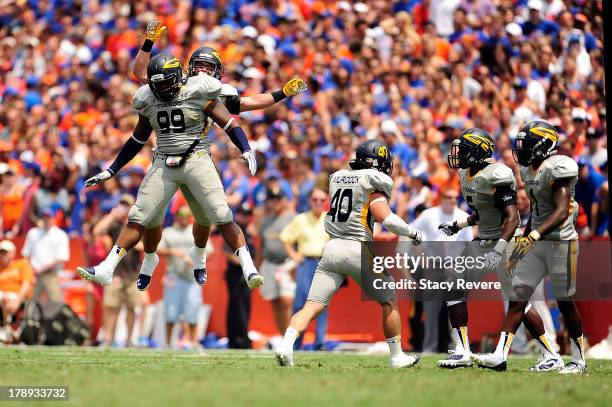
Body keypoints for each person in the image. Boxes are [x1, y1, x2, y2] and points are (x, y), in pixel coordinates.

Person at [131, 21, 307, 286]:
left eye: (208, 67)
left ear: (217, 72)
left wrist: (281, 93)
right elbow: (141, 75)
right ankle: (149, 262)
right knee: (151, 216)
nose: (202, 70)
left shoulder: (214, 92)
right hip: (165, 157)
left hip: (195, 159)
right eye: (199, 65)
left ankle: (199, 258)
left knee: (205, 215)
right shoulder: (177, 83)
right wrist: (148, 44)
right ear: (189, 69)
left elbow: (247, 103)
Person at [77, 53, 264, 293]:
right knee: (139, 214)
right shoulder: (148, 97)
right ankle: (106, 268)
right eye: (156, 85)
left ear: (177, 78)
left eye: (165, 83)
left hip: (196, 158)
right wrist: (111, 170)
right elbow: (137, 139)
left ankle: (248, 267)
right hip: (164, 160)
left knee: (219, 213)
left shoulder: (198, 89)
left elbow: (229, 123)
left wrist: (246, 148)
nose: (161, 89)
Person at [275, 140, 423, 368]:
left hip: (331, 249)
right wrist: (413, 232)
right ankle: (397, 357)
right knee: (389, 300)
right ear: (376, 162)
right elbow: (386, 217)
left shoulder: (338, 177)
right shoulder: (374, 181)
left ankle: (286, 344)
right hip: (357, 248)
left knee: (311, 305)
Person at [438, 128, 561, 371]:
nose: (458, 154)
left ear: (476, 151)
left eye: (463, 149)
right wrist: (458, 224)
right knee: (453, 282)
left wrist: (498, 250)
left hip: (507, 242)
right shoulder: (465, 174)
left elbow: (512, 218)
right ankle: (462, 350)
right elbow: (483, 213)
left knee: (518, 302)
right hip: (483, 240)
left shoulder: (497, 174)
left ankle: (551, 353)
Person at [473, 120, 585, 374]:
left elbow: (561, 211)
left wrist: (532, 234)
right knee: (517, 296)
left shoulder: (559, 166)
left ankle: (578, 360)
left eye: (527, 144)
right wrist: (525, 239)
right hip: (537, 240)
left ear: (544, 144)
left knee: (566, 303)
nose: (521, 149)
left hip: (561, 243)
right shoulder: (527, 171)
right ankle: (500, 355)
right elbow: (535, 212)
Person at [411, 187, 472, 353]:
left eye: (454, 197)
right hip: (433, 267)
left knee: (457, 309)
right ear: (441, 198)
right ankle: (429, 348)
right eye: (448, 197)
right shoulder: (429, 214)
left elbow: (469, 244)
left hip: (454, 267)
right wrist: (421, 257)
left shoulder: (462, 216)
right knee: (430, 310)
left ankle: (458, 347)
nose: (452, 200)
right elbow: (412, 233)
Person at [279, 187, 329, 350]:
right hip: (306, 262)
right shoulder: (301, 219)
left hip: (324, 262)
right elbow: (285, 237)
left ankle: (320, 342)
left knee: (321, 303)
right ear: (309, 201)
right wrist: (293, 254)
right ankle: (296, 343)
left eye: (322, 200)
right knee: (301, 302)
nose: (318, 203)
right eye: (315, 199)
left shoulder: (329, 219)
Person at [94, 194, 141, 347]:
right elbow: (97, 231)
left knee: (131, 308)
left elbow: (144, 246)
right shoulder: (114, 225)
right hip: (115, 274)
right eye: (122, 205)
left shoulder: (137, 225)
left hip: (132, 274)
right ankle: (108, 338)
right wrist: (112, 215)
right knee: (111, 308)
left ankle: (129, 340)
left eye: (127, 205)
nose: (124, 208)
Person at [158, 206, 202, 349]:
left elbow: (209, 251)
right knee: (171, 311)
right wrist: (172, 251)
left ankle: (194, 342)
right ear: (176, 216)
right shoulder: (168, 232)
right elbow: (158, 249)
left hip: (192, 276)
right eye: (181, 216)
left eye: (186, 216)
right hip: (174, 275)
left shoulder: (196, 230)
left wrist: (195, 259)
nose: (184, 219)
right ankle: (168, 343)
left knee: (193, 309)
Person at [258, 186, 295, 337]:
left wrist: (297, 260)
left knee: (287, 301)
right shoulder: (266, 221)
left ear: (284, 200)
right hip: (269, 264)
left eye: (277, 199)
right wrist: (257, 264)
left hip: (286, 263)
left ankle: (290, 337)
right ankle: (282, 336)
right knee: (274, 302)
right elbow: (261, 244)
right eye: (271, 199)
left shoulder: (292, 218)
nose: (274, 202)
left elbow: (299, 240)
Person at [225, 202, 256, 349]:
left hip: (245, 277)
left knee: (245, 307)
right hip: (236, 275)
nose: (244, 217)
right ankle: (237, 340)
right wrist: (247, 266)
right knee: (237, 308)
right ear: (237, 214)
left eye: (247, 214)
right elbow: (228, 255)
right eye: (242, 214)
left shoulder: (248, 232)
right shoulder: (234, 231)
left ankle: (243, 337)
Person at [22, 208, 69, 304]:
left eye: (49, 217)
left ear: (54, 218)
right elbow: (25, 255)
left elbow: (61, 258)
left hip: (52, 274)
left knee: (56, 304)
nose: (46, 219)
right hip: (34, 275)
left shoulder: (61, 235)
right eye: (45, 217)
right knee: (32, 304)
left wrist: (42, 268)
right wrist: (30, 272)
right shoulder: (33, 233)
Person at [0, 240, 33, 343]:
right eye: (1, 253)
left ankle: (6, 329)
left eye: (5, 252)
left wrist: (18, 300)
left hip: (16, 295)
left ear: (13, 253)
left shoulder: (22, 265)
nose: (2, 255)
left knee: (5, 297)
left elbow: (26, 284)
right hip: (2, 294)